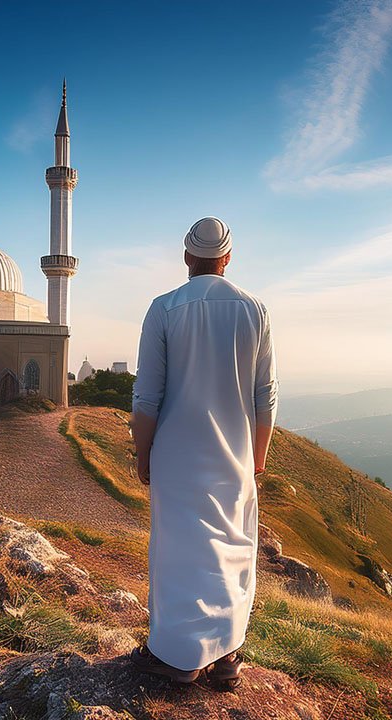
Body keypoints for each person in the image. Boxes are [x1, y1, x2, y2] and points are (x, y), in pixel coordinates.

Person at [129, 216, 278, 688]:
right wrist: (257, 456)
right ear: (227, 258)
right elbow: (266, 396)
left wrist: (143, 453)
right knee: (232, 550)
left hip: (176, 457)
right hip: (235, 454)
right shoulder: (255, 310)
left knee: (180, 553)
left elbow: (146, 397)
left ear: (186, 256)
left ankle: (179, 658)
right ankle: (228, 655)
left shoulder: (164, 309)